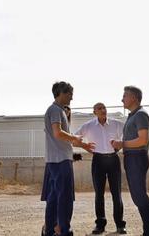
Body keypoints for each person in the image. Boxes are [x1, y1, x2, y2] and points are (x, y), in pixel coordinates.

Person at [43, 81, 95, 236]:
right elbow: (58, 133)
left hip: (55, 160)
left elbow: (59, 137)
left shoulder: (56, 110)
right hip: (61, 161)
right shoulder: (55, 110)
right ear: (61, 93)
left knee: (53, 197)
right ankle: (64, 230)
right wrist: (74, 139)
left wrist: (81, 145)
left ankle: (51, 230)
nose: (72, 97)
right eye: (69, 94)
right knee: (64, 197)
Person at [74, 102, 126, 235]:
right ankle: (100, 225)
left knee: (117, 193)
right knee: (99, 194)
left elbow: (129, 133)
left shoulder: (116, 123)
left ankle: (120, 225)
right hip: (98, 160)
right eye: (99, 108)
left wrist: (121, 144)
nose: (103, 110)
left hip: (113, 159)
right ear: (94, 112)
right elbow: (74, 138)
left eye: (104, 108)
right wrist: (84, 145)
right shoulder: (89, 126)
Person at [111, 86, 149, 236]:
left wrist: (122, 144)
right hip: (131, 158)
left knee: (140, 196)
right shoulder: (132, 115)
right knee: (137, 197)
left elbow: (143, 140)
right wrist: (119, 146)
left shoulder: (141, 115)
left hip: (137, 158)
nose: (122, 99)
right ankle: (148, 232)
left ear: (134, 98)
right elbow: (133, 139)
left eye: (124, 96)